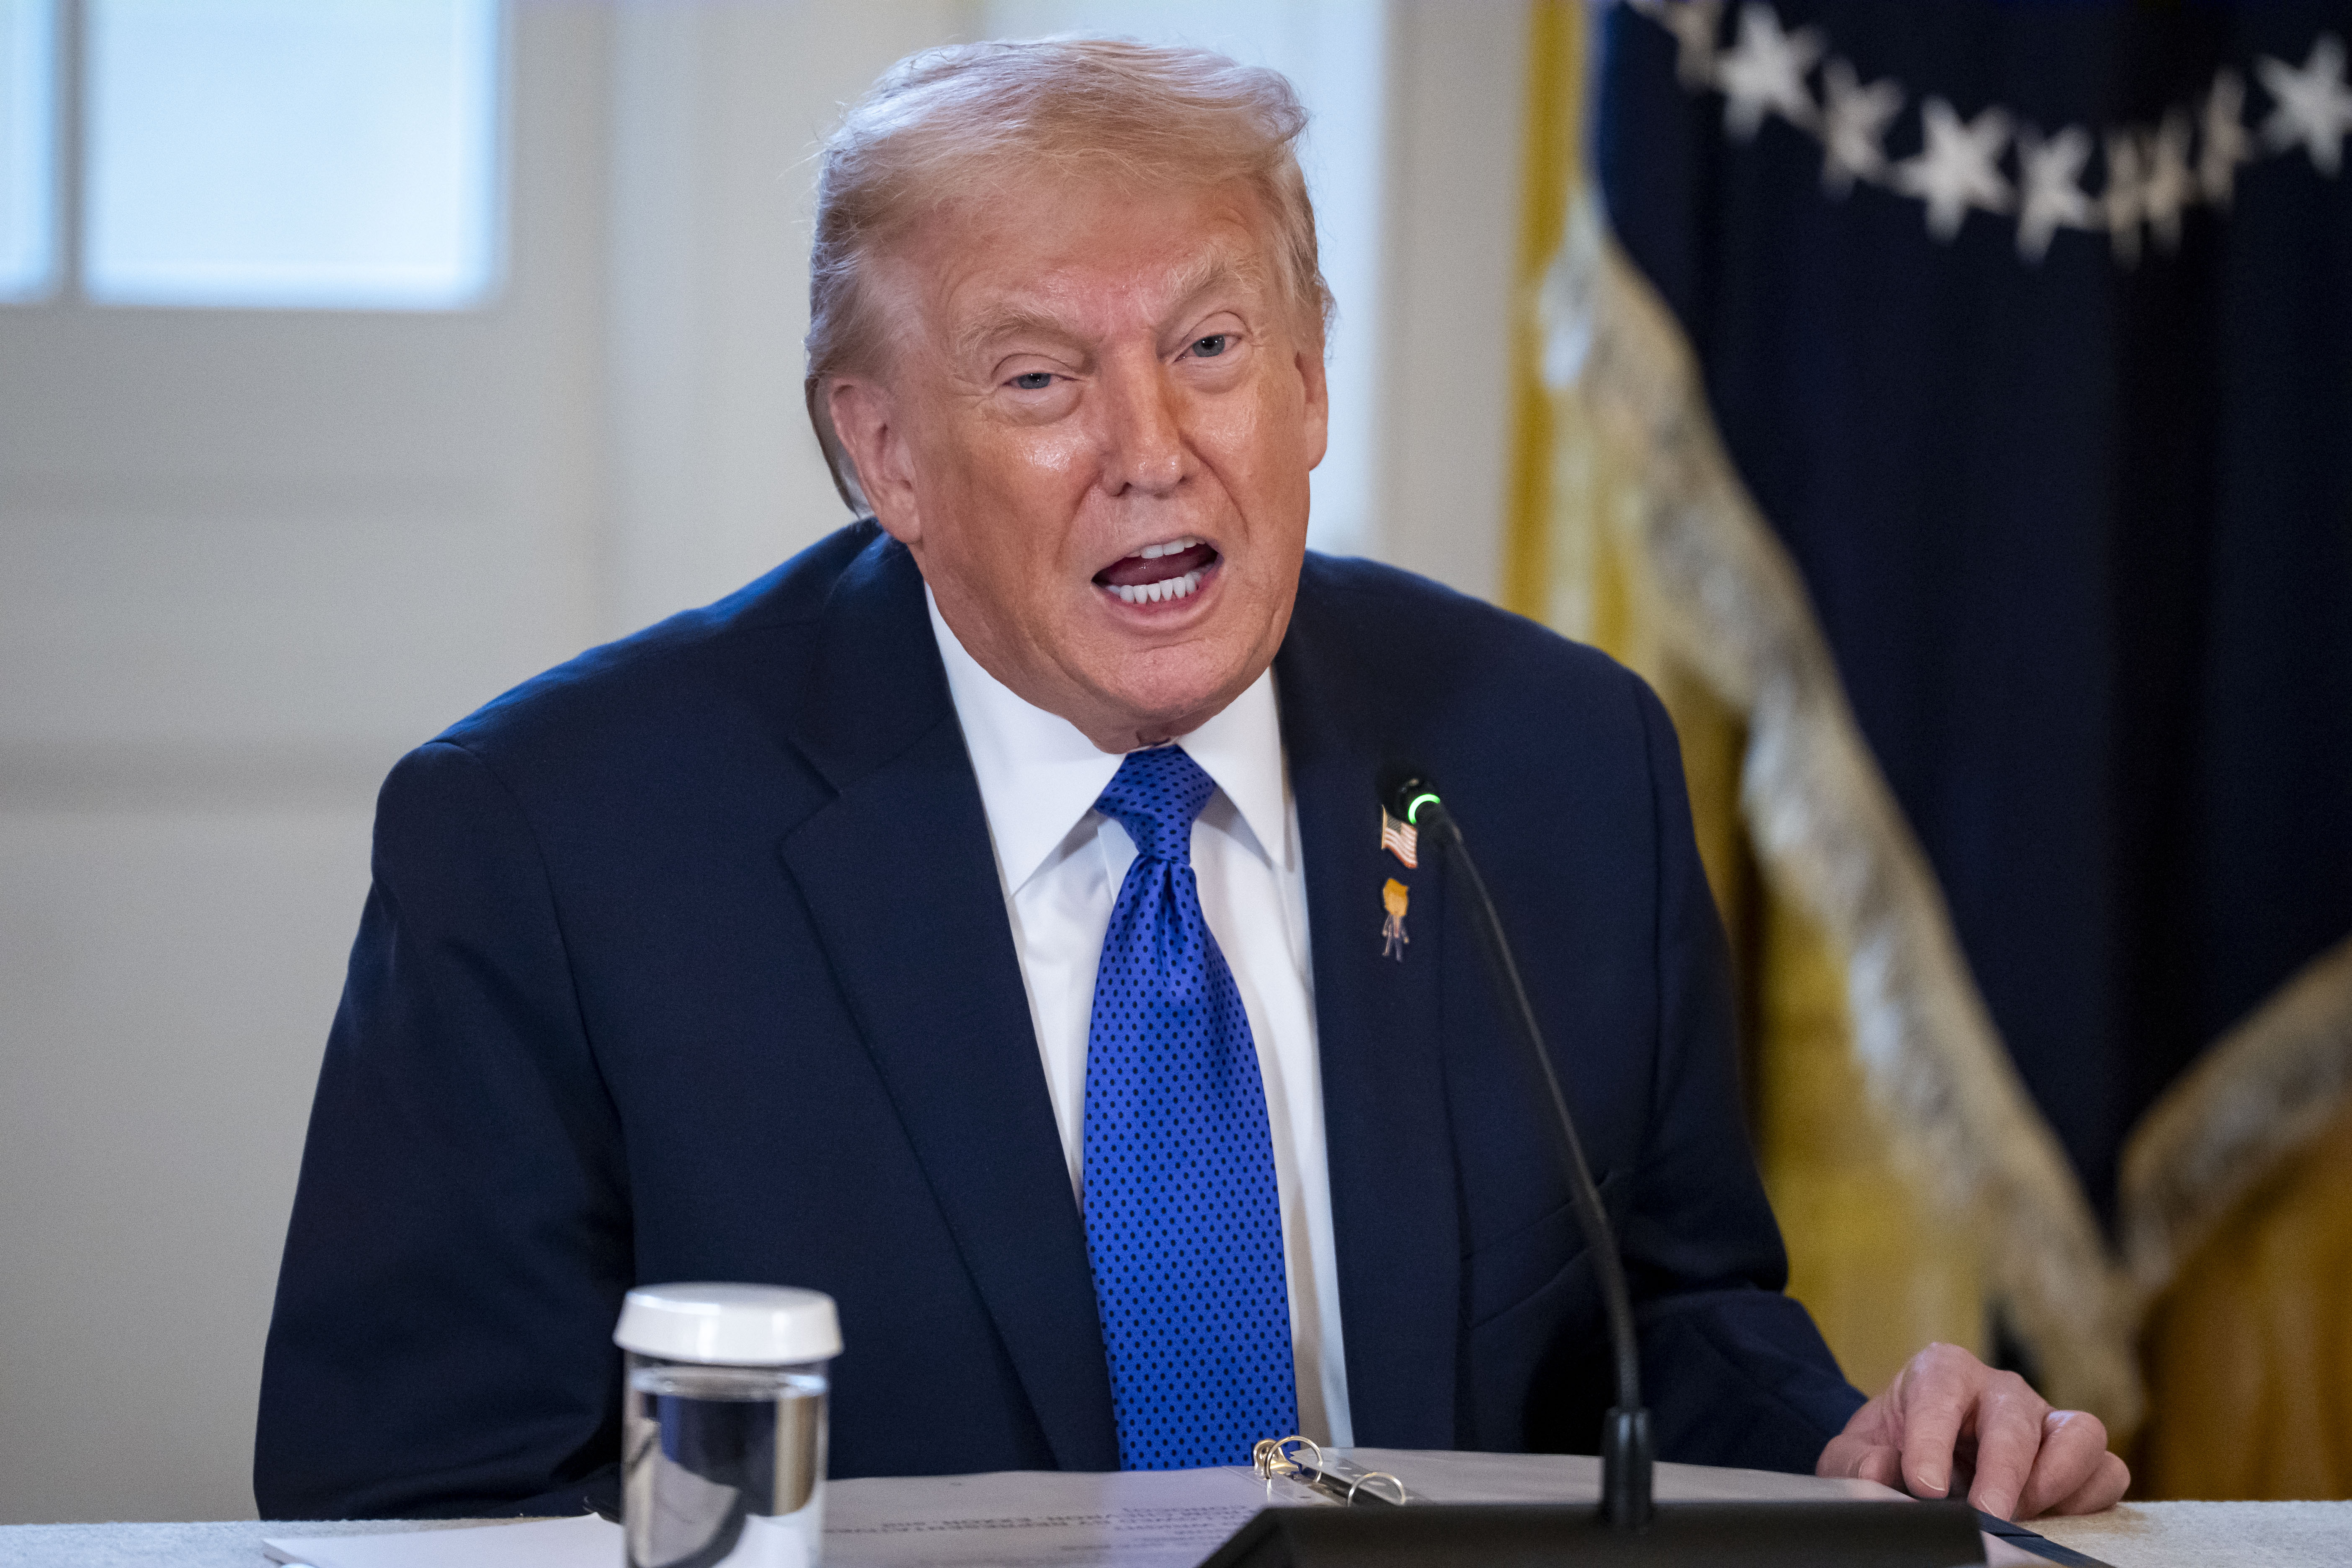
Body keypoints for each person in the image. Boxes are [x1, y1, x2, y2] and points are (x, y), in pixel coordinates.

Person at [255, 38, 2128, 1523]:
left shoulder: (1557, 765)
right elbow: (418, 1504)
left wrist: (1857, 1446)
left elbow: (1667, 1337)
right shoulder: (560, 845)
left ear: (1308, 384)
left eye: (1214, 349)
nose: (1152, 450)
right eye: (1040, 379)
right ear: (883, 454)